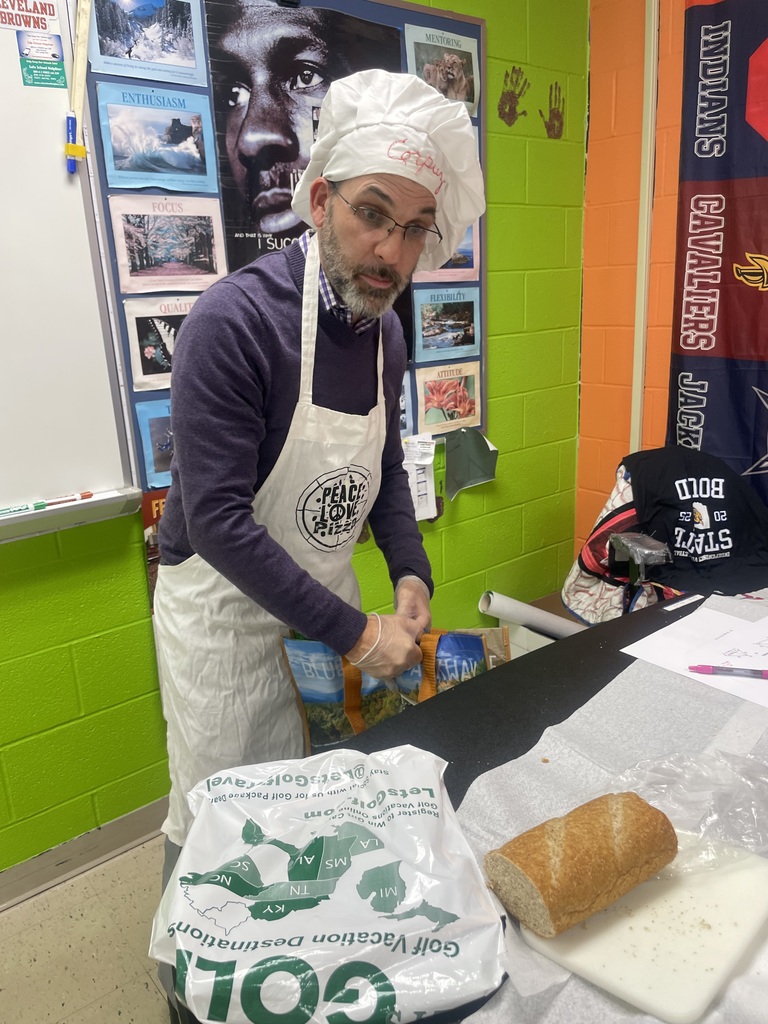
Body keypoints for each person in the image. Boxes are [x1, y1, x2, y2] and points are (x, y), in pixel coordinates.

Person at [153, 68, 485, 1022]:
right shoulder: (233, 323)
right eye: (372, 214)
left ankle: (292, 964)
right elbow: (221, 520)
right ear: (320, 197)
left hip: (324, 609)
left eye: (415, 228)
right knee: (216, 810)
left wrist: (410, 571)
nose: (390, 251)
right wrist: (355, 633)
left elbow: (382, 471)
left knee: (311, 805)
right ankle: (188, 986)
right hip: (223, 619)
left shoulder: (385, 332)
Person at [205, 0, 401, 268]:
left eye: (305, 77)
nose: (250, 140)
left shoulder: (387, 290)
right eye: (233, 94)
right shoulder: (232, 297)